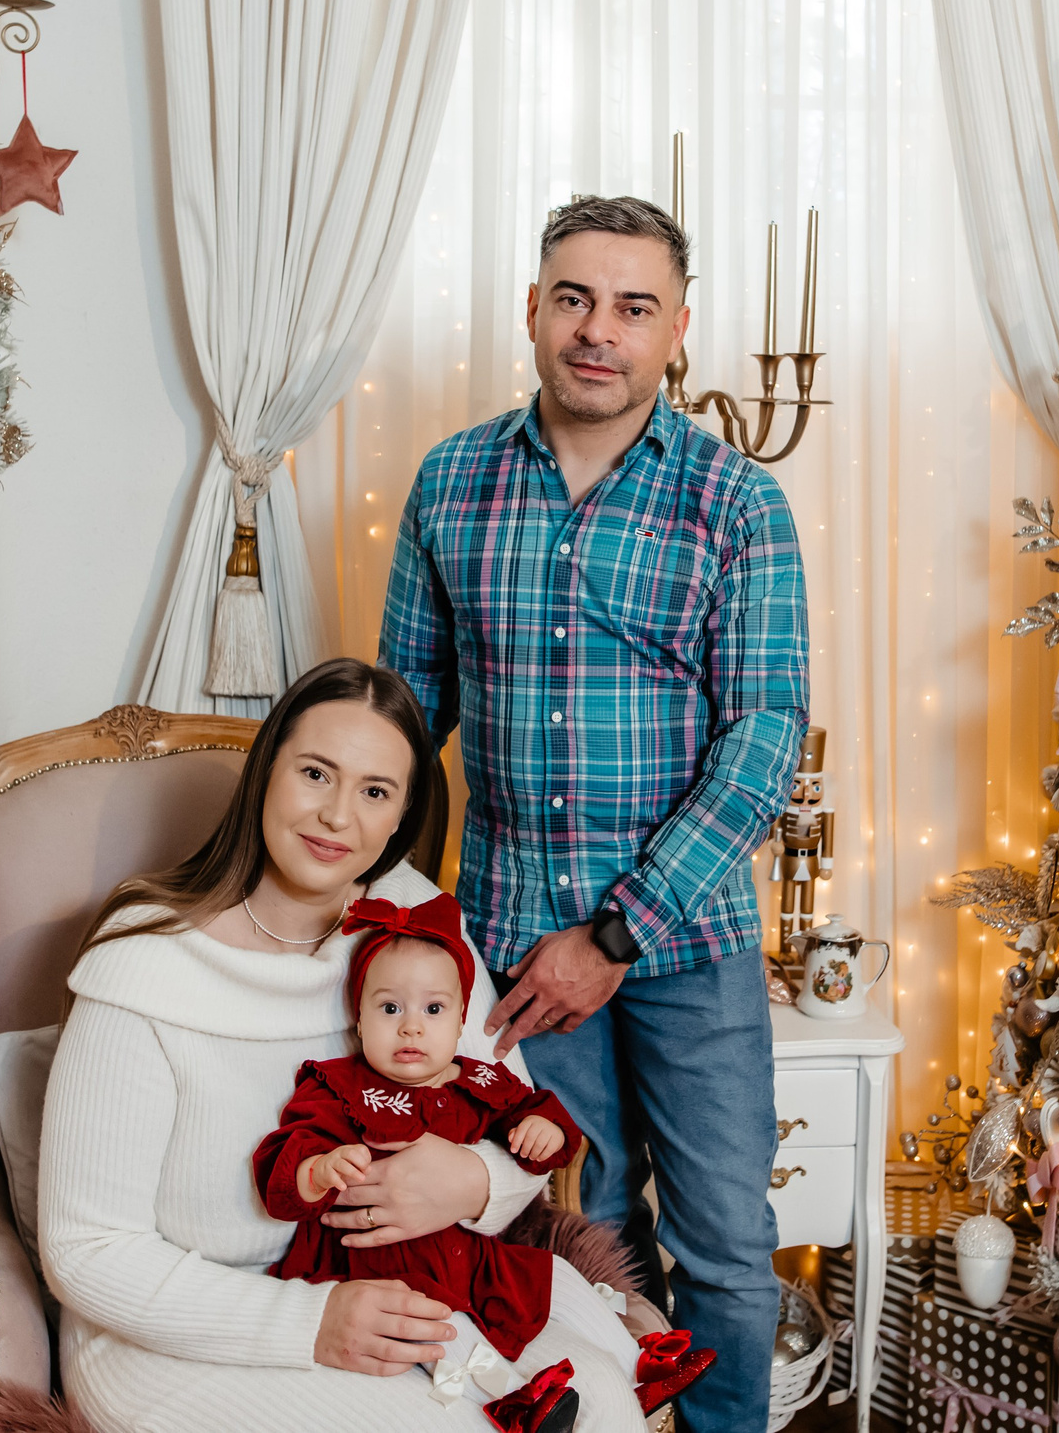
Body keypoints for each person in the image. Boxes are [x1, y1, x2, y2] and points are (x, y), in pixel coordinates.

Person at [379, 194, 810, 1433]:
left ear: (677, 329)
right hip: (510, 942)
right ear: (531, 309)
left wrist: (611, 939)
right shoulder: (451, 482)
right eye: (573, 298)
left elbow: (761, 744)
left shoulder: (736, 503)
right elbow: (407, 731)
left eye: (632, 308)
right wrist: (381, 917)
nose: (597, 331)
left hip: (687, 946)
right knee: (573, 1231)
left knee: (727, 1243)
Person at [36, 658, 647, 1432]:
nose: (336, 816)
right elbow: (89, 1252)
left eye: (375, 791)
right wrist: (308, 1320)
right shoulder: (147, 961)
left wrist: (468, 1177)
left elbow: (512, 1124)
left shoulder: (413, 922)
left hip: (410, 1286)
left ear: (401, 817)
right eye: (316, 772)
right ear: (266, 772)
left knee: (605, 1408)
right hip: (180, 1329)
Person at [254, 895, 715, 1430]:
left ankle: (640, 1364)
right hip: (385, 1273)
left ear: (458, 1022)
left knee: (558, 1275)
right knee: (435, 1327)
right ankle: (512, 1400)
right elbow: (282, 1164)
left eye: (433, 1010)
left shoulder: (478, 1080)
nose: (411, 1028)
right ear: (358, 1020)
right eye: (389, 1008)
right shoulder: (340, 1087)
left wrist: (546, 1129)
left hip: (473, 1260)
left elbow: (538, 1112)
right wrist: (318, 1170)